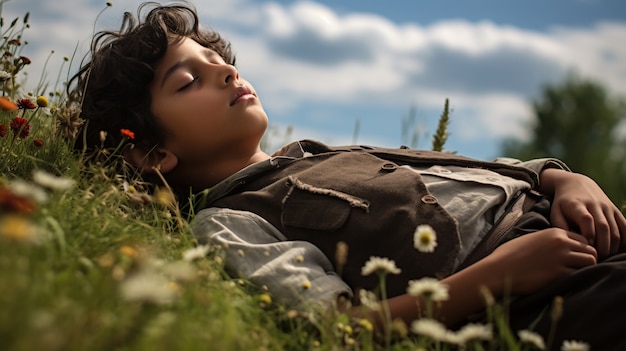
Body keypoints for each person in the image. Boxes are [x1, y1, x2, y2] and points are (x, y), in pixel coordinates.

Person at [69, 2, 626, 349]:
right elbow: (341, 330)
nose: (225, 70)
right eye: (189, 81)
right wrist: (500, 277)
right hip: (528, 299)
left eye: (217, 61)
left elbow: (468, 169)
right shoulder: (228, 222)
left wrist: (565, 179)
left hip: (575, 226)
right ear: (150, 154)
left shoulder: (327, 152)